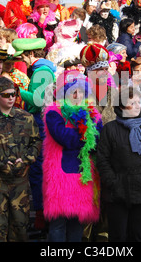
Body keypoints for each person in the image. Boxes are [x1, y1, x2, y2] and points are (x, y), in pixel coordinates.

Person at [0, 77, 41, 242]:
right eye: (6, 95)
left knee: (20, 227)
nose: (11, 98)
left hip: (20, 181)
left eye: (13, 94)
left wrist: (26, 160)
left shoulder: (26, 118)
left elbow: (36, 142)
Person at [96, 86, 141, 242]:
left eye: (138, 102)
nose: (137, 106)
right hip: (118, 191)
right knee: (118, 236)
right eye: (132, 103)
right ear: (121, 107)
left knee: (139, 235)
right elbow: (103, 160)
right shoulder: (110, 129)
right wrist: (113, 182)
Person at [42, 70, 102, 242]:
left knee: (77, 223)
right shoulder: (54, 113)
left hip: (83, 176)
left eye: (81, 92)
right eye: (72, 91)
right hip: (60, 175)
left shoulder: (92, 114)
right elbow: (64, 137)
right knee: (58, 225)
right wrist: (85, 135)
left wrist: (89, 134)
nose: (77, 95)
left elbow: (98, 137)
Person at [12, 37, 56, 232]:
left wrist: (16, 91)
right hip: (40, 122)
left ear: (31, 55)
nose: (23, 61)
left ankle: (41, 215)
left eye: (23, 56)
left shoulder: (41, 72)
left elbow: (38, 100)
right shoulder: (43, 70)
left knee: (38, 171)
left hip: (40, 123)